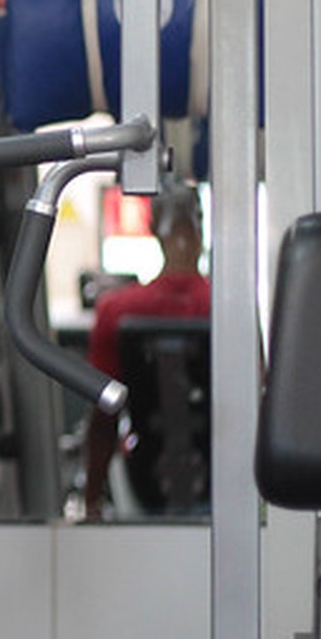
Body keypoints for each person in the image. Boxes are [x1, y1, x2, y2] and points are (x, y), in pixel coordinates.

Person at [81, 181, 210, 519]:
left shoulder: (117, 310)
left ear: (153, 229)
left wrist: (91, 500)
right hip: (221, 480)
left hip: (142, 481)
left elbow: (103, 416)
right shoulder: (229, 306)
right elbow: (257, 399)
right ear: (201, 228)